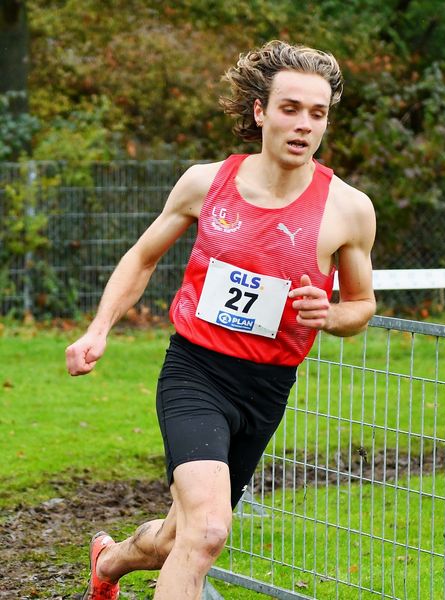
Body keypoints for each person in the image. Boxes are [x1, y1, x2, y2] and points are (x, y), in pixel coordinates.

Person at [65, 39, 376, 600]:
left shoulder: (348, 209)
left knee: (179, 538)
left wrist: (330, 315)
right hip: (196, 372)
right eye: (290, 108)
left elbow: (362, 305)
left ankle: (108, 563)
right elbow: (143, 257)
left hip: (267, 387)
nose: (304, 125)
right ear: (260, 111)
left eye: (317, 113)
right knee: (209, 530)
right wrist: (99, 328)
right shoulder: (206, 183)